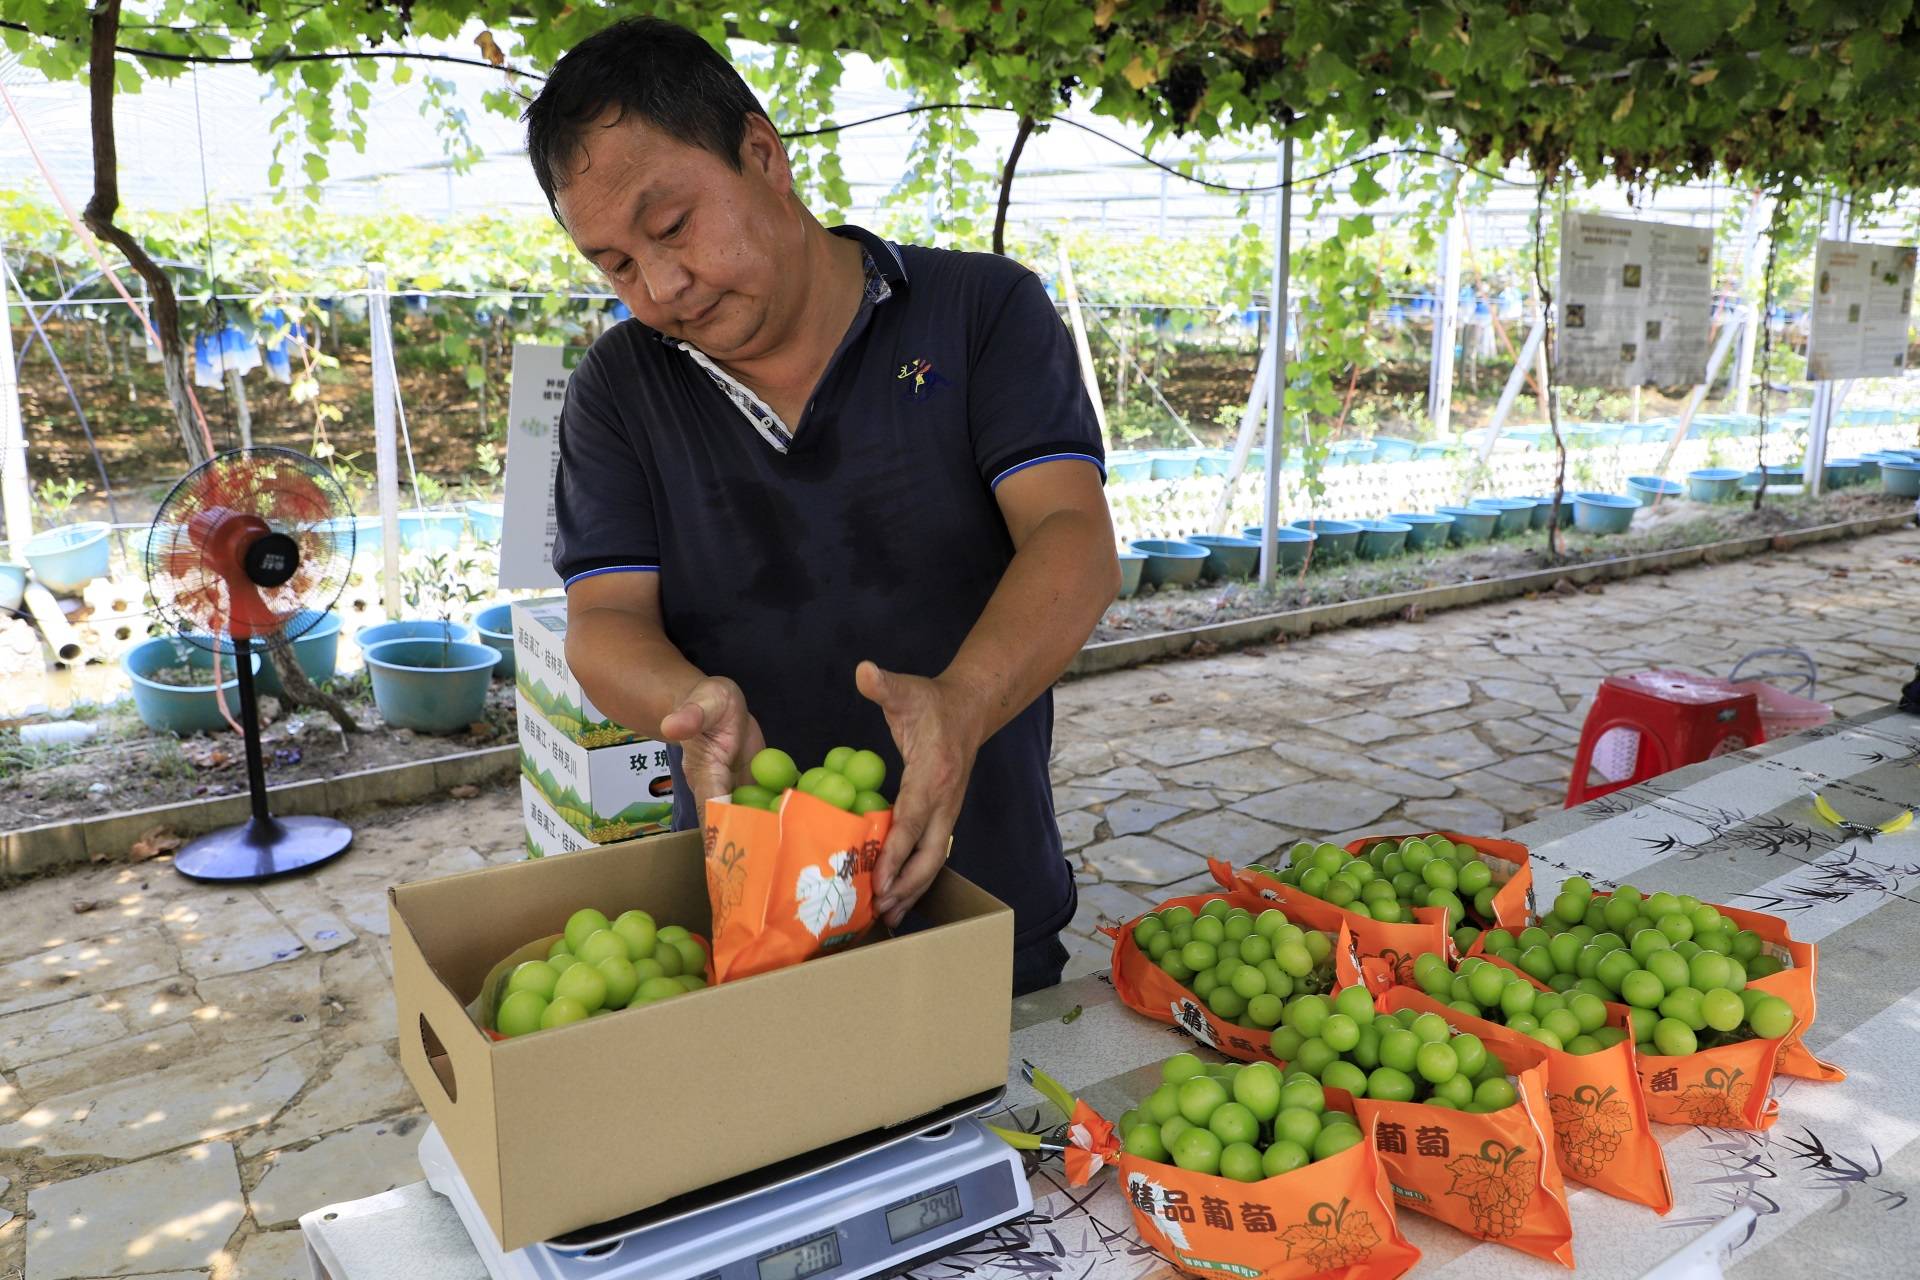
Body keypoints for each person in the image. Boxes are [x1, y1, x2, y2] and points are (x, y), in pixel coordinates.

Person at [524, 18, 1119, 994]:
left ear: (764, 155)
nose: (662, 286)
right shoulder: (621, 388)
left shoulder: (980, 313)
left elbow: (1072, 536)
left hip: (982, 892)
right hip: (756, 906)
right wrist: (687, 701)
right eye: (617, 266)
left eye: (672, 228)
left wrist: (962, 705)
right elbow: (604, 622)